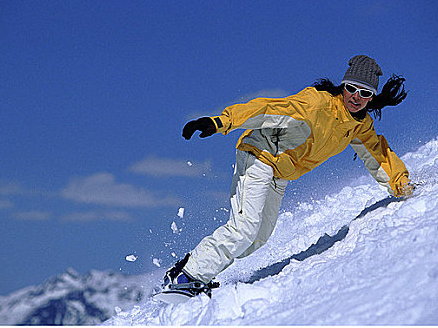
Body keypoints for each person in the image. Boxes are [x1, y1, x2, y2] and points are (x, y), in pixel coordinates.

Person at [161, 55, 413, 299]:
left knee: (258, 238)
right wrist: (221, 121)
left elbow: (379, 155)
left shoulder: (360, 125)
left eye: (365, 93)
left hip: (280, 173)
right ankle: (185, 277)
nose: (356, 97)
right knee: (245, 229)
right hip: (260, 155)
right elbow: (269, 109)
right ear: (343, 86)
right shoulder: (317, 104)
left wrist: (400, 183)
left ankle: (193, 266)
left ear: (372, 97)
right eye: (352, 88)